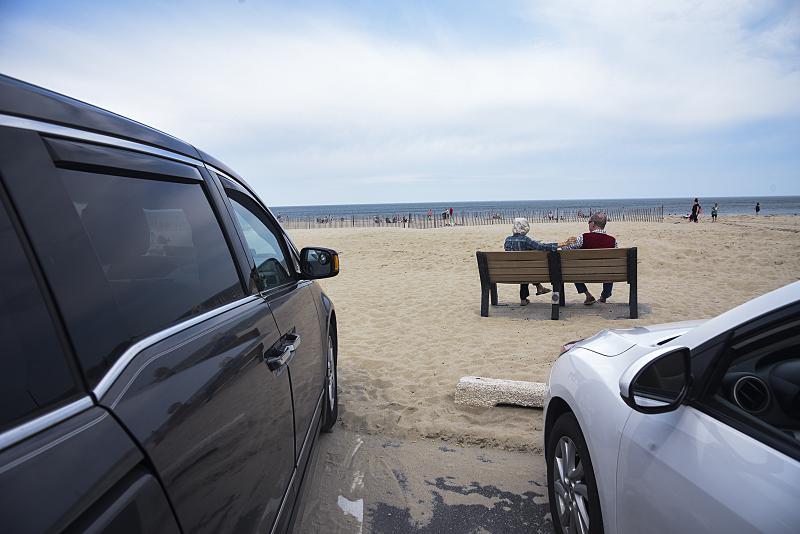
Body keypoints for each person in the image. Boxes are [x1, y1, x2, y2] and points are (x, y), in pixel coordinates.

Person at [504, 218, 574, 306]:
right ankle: (539, 288)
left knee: (524, 267)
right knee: (527, 268)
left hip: (512, 272)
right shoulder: (526, 240)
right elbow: (542, 247)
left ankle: (527, 297)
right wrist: (563, 243)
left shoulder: (507, 240)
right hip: (529, 272)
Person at [561, 212, 618, 305]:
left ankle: (587, 295)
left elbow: (565, 250)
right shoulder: (613, 241)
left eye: (589, 222)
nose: (588, 224)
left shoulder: (583, 238)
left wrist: (566, 243)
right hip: (606, 274)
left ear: (593, 224)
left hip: (585, 273)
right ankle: (604, 296)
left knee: (572, 269)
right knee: (610, 267)